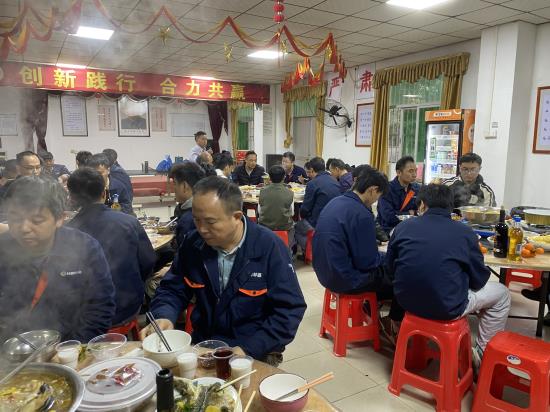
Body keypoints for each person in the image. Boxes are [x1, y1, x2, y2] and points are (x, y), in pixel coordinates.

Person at [140, 177, 306, 364]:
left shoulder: (268, 247)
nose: (202, 229)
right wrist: (164, 315)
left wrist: (248, 349)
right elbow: (173, 288)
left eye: (210, 222)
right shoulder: (193, 244)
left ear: (236, 217)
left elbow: (289, 310)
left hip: (255, 349)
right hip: (205, 344)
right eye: (196, 220)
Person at [386, 184, 510, 367]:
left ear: (422, 205)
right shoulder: (465, 233)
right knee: (502, 293)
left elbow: (390, 268)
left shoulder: (403, 227)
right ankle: (483, 356)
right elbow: (479, 280)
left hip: (405, 302)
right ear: (451, 207)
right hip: (446, 308)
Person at [0, 176, 116, 341]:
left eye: (37, 220)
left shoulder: (84, 247)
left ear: (60, 218)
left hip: (70, 343)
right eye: (16, 218)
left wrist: (73, 347)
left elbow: (100, 306)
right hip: (13, 345)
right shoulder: (3, 249)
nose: (24, 228)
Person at [312, 167, 403, 340]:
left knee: (385, 268)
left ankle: (371, 312)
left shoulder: (336, 202)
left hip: (324, 273)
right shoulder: (361, 213)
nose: (376, 200)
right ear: (373, 190)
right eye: (378, 196)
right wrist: (388, 257)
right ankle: (393, 324)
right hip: (346, 279)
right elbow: (367, 262)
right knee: (401, 278)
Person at [67, 169, 156, 326]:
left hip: (85, 315)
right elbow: (148, 262)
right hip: (126, 307)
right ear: (104, 193)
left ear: (72, 197)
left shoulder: (67, 232)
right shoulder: (129, 222)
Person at [295, 157, 341, 252]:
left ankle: (311, 251)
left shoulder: (313, 183)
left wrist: (301, 215)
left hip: (317, 222)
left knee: (296, 227)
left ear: (312, 169)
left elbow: (305, 210)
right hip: (334, 221)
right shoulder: (335, 181)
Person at [377, 156, 420, 235]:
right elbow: (388, 217)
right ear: (399, 172)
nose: (414, 174)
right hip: (388, 230)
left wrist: (403, 214)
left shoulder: (416, 188)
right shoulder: (387, 189)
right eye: (410, 171)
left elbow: (420, 212)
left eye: (415, 171)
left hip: (409, 228)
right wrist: (409, 213)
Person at [169, 162, 205, 246]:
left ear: (184, 186)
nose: (173, 188)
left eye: (175, 183)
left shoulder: (188, 219)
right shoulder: (205, 206)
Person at [259, 165, 295, 248]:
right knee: (294, 227)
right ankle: (289, 249)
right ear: (284, 177)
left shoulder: (262, 191)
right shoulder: (290, 192)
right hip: (284, 227)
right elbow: (292, 213)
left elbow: (260, 210)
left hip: (265, 226)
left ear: (269, 178)